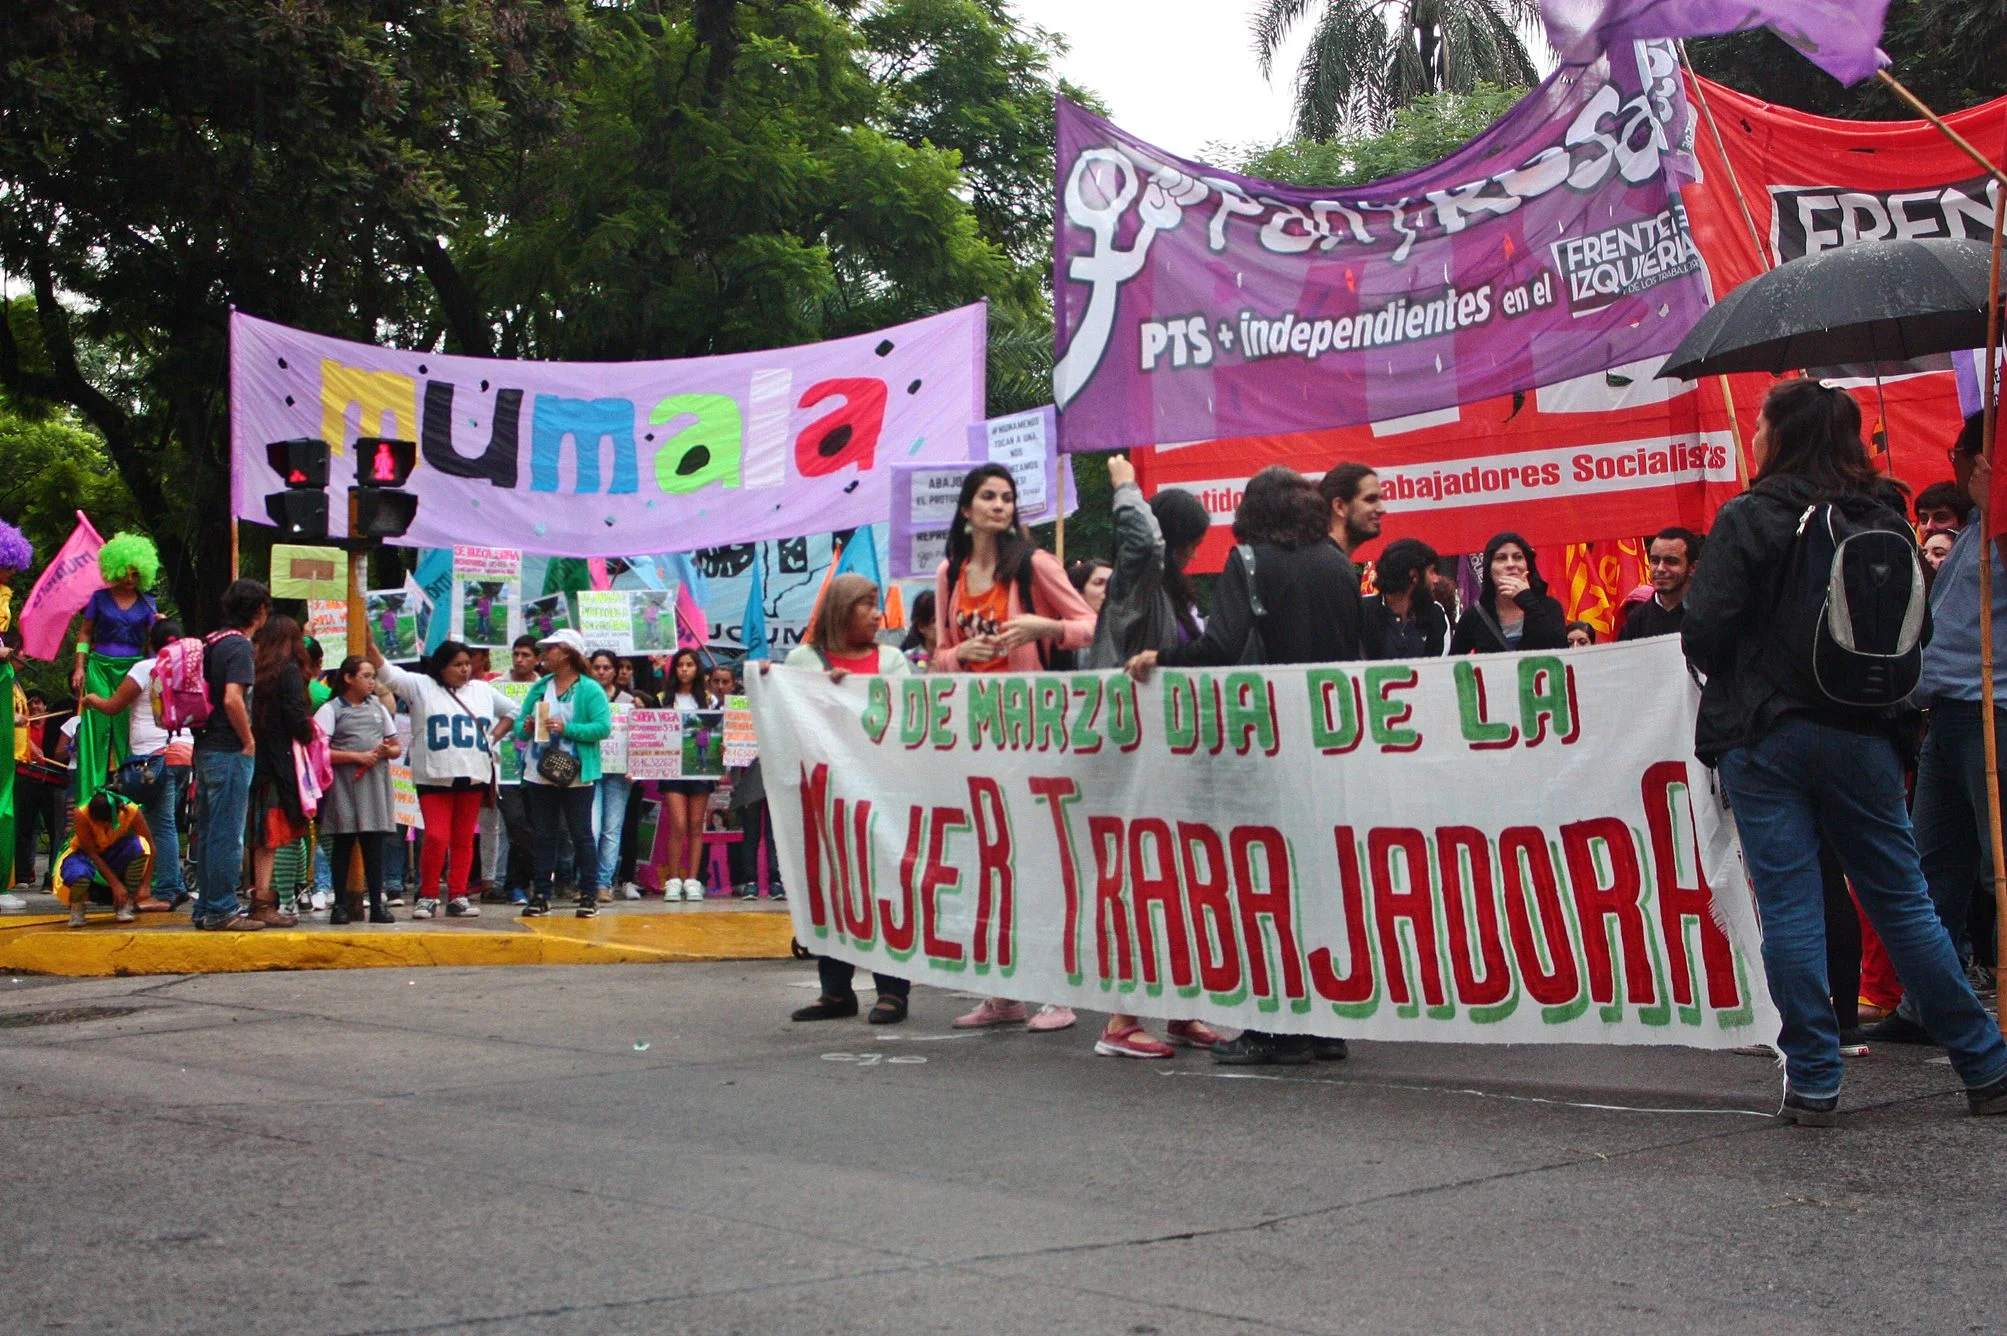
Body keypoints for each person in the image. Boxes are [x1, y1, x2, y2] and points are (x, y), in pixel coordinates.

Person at [1683, 382, 2007, 1122]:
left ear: (1781, 435)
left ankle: (1814, 1082)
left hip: (1765, 738)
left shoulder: (1749, 516)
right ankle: (1984, 1064)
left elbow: (1702, 632)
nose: (1755, 436)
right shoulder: (1884, 513)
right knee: (1904, 902)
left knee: (1791, 905)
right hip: (1866, 733)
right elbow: (1912, 635)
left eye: (1762, 424)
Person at [1128, 465, 1364, 1065]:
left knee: (1269, 887)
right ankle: (1325, 1025)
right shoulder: (1339, 565)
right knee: (1318, 883)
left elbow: (1219, 646)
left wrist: (1162, 659)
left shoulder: (1251, 561)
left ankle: (1273, 1029)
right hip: (1328, 747)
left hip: (1269, 748)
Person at [932, 463, 1097, 1033]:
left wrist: (1038, 627)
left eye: (1007, 497)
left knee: (1041, 861)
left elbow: (1090, 624)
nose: (1000, 505)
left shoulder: (1033, 564)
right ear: (967, 509)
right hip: (977, 735)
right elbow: (939, 657)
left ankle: (1058, 993)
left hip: (1035, 732)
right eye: (988, 496)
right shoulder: (949, 571)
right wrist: (962, 658)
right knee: (991, 863)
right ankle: (1004, 995)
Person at [1081, 455, 1221, 1057]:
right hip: (1135, 756)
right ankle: (1120, 1019)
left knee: (1182, 884)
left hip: (1176, 757)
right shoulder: (1136, 585)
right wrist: (1124, 487)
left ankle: (1182, 1008)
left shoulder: (1175, 597)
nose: (1189, 556)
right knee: (1141, 883)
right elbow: (1142, 539)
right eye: (1187, 544)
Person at [1877, 411, 2007, 1043]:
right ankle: (1929, 1003)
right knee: (1932, 869)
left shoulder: (1996, 523)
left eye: (1963, 456)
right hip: (1946, 717)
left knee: (1998, 869)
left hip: (1995, 713)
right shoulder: (1975, 529)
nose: (1954, 467)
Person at [783, 574, 913, 1024]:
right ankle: (835, 991)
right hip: (825, 796)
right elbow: (786, 718)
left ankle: (893, 990)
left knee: (884, 890)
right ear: (842, 609)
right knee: (832, 887)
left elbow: (902, 720)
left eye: (877, 604)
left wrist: (848, 697)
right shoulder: (803, 659)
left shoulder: (892, 660)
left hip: (882, 796)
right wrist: (772, 682)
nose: (878, 614)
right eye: (867, 604)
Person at [369, 635, 518, 919]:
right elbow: (388, 672)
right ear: (441, 667)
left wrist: (493, 737)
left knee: (463, 839)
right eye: (457, 664)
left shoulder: (482, 690)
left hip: (473, 774)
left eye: (467, 664)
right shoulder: (421, 686)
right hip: (433, 776)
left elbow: (513, 710)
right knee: (436, 837)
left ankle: (458, 895)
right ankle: (427, 895)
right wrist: (370, 644)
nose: (464, 670)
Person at [79, 619, 190, 911]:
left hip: (154, 757)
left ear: (149, 643)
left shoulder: (144, 668)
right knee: (163, 821)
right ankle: (171, 884)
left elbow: (113, 706)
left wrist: (92, 699)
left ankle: (167, 890)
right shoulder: (185, 670)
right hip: (184, 752)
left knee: (162, 825)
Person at [515, 629, 610, 918]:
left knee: (580, 833)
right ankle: (541, 894)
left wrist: (567, 728)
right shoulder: (540, 686)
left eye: (552, 649)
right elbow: (519, 726)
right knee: (544, 834)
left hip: (577, 772)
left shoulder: (589, 689)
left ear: (567, 653)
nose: (545, 654)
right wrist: (529, 726)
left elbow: (602, 727)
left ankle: (588, 894)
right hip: (540, 770)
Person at [192, 579, 270, 931]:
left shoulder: (213, 641)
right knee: (228, 832)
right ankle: (223, 909)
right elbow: (232, 698)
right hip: (230, 749)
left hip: (205, 746)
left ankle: (206, 908)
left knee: (209, 831)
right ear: (260, 611)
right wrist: (248, 739)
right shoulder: (239, 647)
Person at [70, 532, 161, 805]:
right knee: (94, 730)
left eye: (135, 574)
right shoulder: (99, 598)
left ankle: (129, 804)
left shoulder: (148, 603)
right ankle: (88, 802)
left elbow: (155, 643)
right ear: (115, 569)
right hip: (98, 666)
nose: (129, 579)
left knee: (126, 733)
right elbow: (84, 634)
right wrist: (79, 668)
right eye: (125, 573)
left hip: (132, 670)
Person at [313, 656, 400, 923]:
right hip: (344, 786)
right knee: (343, 843)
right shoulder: (331, 710)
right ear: (349, 678)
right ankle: (340, 905)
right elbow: (320, 752)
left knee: (374, 845)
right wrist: (356, 757)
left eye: (374, 675)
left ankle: (376, 905)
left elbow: (395, 745)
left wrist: (386, 751)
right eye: (366, 675)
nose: (372, 681)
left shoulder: (378, 708)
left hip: (374, 784)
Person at [244, 615, 317, 926]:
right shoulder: (289, 673)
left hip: (254, 760)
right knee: (273, 838)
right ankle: (264, 899)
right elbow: (294, 717)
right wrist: (308, 731)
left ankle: (259, 895)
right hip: (279, 762)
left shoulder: (255, 670)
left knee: (257, 837)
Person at [658, 647, 720, 901]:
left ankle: (693, 880)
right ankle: (673, 879)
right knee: (678, 824)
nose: (684, 669)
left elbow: (719, 730)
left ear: (698, 670)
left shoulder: (709, 700)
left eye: (689, 665)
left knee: (696, 825)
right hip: (672, 769)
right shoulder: (663, 698)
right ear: (674, 669)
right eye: (680, 665)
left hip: (700, 769)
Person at [1449, 534, 1568, 654]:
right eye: (1501, 558)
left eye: (1518, 557)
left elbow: (1561, 651)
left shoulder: (1549, 607)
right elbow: (1451, 664)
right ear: (1488, 570)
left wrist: (1527, 600)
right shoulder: (1475, 616)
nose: (1511, 564)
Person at [57, 791, 155, 927]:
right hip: (84, 856)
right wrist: (115, 884)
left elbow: (151, 844)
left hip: (114, 854)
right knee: (78, 874)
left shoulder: (130, 810)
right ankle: (77, 905)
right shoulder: (81, 813)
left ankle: (125, 902)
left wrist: (145, 884)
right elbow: (91, 852)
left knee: (140, 846)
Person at [589, 649, 640, 901]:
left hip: (619, 773)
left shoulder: (629, 701)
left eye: (606, 667)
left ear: (615, 670)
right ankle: (585, 880)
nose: (601, 672)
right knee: (592, 828)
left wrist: (636, 766)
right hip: (590, 770)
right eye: (596, 667)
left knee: (611, 829)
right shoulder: (583, 696)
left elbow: (639, 738)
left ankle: (603, 883)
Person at [1362, 537, 1449, 659]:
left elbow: (1439, 669)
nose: (1436, 579)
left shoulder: (1436, 615)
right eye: (1432, 572)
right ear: (1413, 575)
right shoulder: (1362, 612)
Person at [1618, 528, 1702, 641]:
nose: (1660, 568)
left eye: (1671, 561)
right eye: (1655, 561)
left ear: (1693, 568)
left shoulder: (1709, 616)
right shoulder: (1636, 621)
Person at [1318, 461, 1385, 559]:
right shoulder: (1321, 564)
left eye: (1381, 499)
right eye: (1370, 499)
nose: (1382, 510)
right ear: (1339, 506)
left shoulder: (1330, 560)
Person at [901, 589, 938, 673]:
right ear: (921, 627)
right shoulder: (911, 658)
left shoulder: (957, 655)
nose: (943, 624)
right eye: (935, 620)